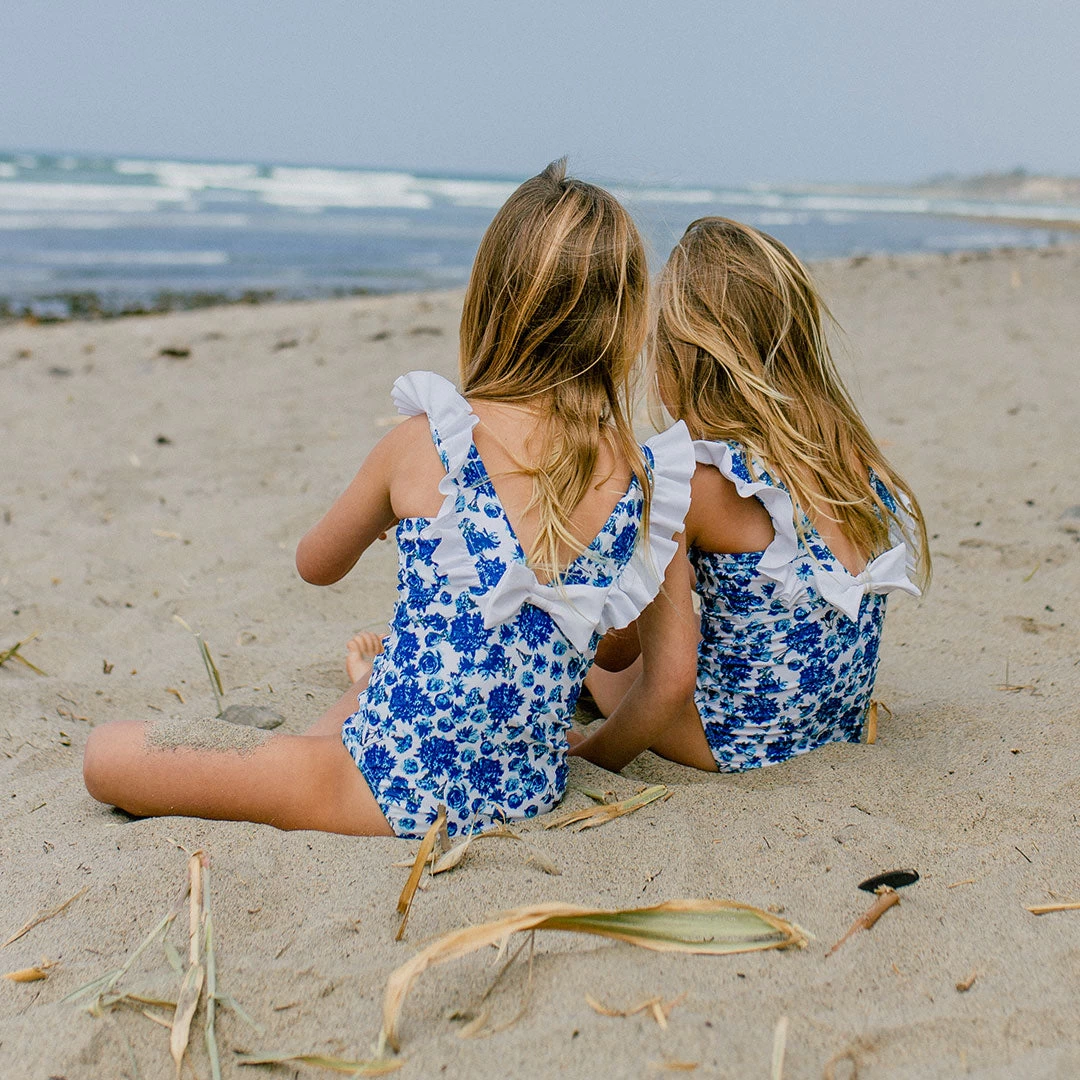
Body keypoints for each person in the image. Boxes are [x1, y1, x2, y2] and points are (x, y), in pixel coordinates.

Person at [82, 160, 696, 837]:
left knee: (107, 754)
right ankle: (369, 685)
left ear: (491, 301)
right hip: (528, 793)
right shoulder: (648, 484)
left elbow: (316, 564)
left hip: (379, 791)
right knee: (395, 684)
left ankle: (366, 692)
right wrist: (591, 745)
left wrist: (381, 511)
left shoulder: (430, 441)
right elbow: (632, 664)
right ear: (626, 320)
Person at [572, 216, 930, 774]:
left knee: (598, 660)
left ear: (683, 358)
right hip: (836, 722)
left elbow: (660, 679)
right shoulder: (848, 449)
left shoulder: (690, 482)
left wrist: (587, 757)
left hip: (733, 741)